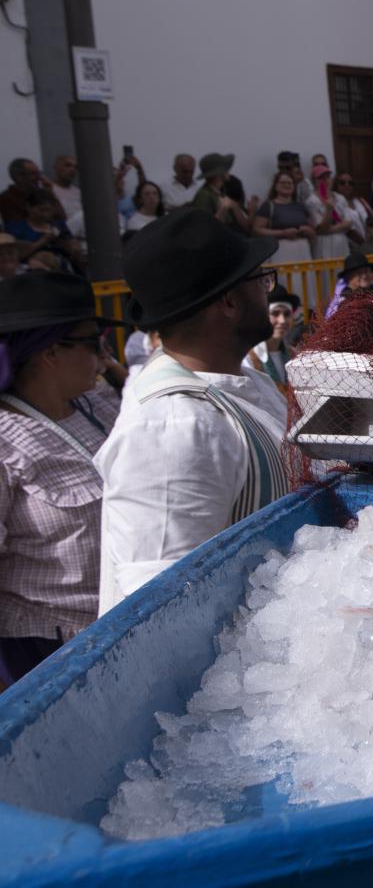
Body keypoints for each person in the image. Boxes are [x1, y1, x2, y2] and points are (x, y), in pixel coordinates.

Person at [97, 210, 288, 613]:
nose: (268, 293)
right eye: (261, 280)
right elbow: (161, 601)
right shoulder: (174, 426)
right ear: (230, 301)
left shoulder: (248, 383)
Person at [0, 272, 123, 684]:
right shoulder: (5, 442)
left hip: (117, 624)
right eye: (93, 342)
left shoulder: (99, 404)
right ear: (50, 352)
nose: (104, 355)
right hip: (45, 649)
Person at [252, 170, 318, 265]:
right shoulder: (268, 206)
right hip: (280, 253)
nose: (287, 185)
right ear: (275, 185)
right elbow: (257, 230)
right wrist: (282, 233)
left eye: (290, 183)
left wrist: (309, 231)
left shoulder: (301, 206)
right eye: (283, 182)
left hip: (303, 251)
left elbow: (313, 229)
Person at [245, 285, 300, 390]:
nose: (282, 320)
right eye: (275, 313)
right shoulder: (249, 357)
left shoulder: (294, 354)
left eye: (287, 314)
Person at [192, 153, 257, 233]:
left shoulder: (222, 192)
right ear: (219, 173)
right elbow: (204, 228)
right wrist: (223, 209)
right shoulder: (204, 195)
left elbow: (245, 226)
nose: (228, 172)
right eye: (226, 170)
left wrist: (235, 206)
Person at [324, 252, 373, 319]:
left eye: (366, 271)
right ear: (349, 278)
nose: (364, 276)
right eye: (359, 273)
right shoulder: (344, 301)